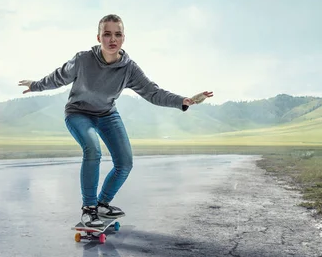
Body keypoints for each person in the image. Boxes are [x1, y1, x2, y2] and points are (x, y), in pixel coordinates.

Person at [18, 14, 213, 227]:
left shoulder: (129, 68)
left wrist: (182, 100)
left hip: (107, 115)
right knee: (93, 150)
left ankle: (102, 204)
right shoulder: (83, 60)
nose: (113, 39)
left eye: (117, 34)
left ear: (123, 38)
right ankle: (89, 209)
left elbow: (152, 92)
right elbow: (58, 76)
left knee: (125, 163)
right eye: (107, 34)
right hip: (78, 113)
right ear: (98, 37)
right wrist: (36, 85)